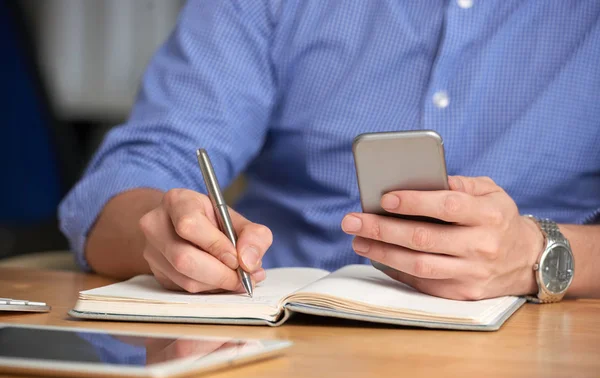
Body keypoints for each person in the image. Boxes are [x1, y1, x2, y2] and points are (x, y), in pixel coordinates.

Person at [59, 1, 600, 301]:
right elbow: (133, 174)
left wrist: (540, 255)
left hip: (539, 354)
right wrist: (165, 236)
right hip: (287, 344)